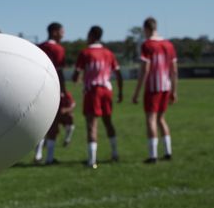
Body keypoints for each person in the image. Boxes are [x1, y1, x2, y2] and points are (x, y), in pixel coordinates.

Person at [72, 26, 123, 169]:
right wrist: (120, 92)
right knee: (108, 122)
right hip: (107, 90)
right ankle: (115, 153)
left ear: (92, 35)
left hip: (92, 91)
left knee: (91, 124)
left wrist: (78, 79)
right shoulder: (108, 53)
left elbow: (76, 74)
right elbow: (118, 74)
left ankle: (92, 161)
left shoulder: (85, 53)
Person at [131, 17, 178, 163]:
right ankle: (168, 152)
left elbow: (145, 70)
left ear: (146, 29)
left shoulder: (147, 45)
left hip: (153, 87)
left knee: (151, 119)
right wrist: (174, 91)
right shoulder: (168, 45)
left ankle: (153, 155)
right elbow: (174, 70)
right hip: (166, 87)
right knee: (161, 119)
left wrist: (137, 92)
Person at [33, 22, 71, 164]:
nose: (63, 34)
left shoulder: (39, 47)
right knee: (52, 124)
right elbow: (59, 73)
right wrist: (63, 91)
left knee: (40, 123)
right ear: (54, 32)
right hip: (53, 90)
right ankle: (49, 157)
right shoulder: (58, 49)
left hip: (37, 89)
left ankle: (37, 154)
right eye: (62, 31)